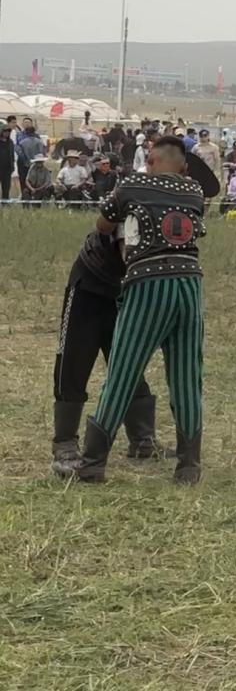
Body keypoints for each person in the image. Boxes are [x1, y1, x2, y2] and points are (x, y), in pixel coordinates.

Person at [67, 136, 207, 485]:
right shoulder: (194, 191)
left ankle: (93, 462)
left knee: (123, 370)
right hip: (190, 284)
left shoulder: (132, 185)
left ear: (151, 161)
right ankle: (188, 466)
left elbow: (103, 224)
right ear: (184, 166)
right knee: (187, 376)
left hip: (148, 283)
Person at [51, 230, 166, 475]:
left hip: (127, 287)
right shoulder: (129, 205)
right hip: (90, 281)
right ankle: (65, 442)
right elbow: (123, 244)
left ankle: (143, 439)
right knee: (74, 359)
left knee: (129, 358)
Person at [16, 125, 45, 192]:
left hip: (25, 166)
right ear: (34, 132)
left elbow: (20, 154)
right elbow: (41, 154)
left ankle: (25, 195)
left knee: (24, 182)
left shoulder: (22, 143)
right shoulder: (40, 142)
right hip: (37, 165)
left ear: (26, 133)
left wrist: (25, 161)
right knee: (36, 182)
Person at [0, 122, 14, 201]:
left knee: (6, 187)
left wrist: (12, 167)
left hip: (7, 169)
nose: (7, 132)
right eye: (5, 131)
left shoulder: (10, 142)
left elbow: (12, 155)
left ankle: (5, 203)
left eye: (9, 131)